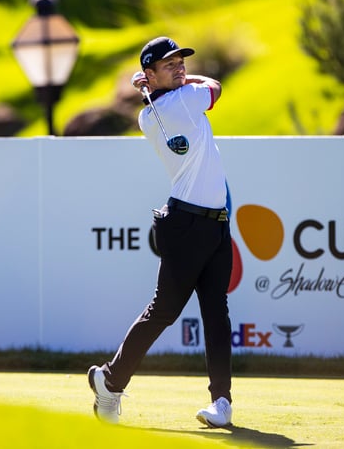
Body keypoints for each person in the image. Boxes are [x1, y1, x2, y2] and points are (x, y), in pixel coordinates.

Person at [88, 36, 233, 428]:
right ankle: (111, 380)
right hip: (189, 226)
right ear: (149, 74)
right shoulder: (181, 102)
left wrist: (158, 85)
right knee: (164, 311)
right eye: (170, 64)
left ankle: (222, 402)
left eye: (182, 62)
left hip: (216, 223)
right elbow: (215, 88)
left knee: (216, 315)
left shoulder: (149, 114)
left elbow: (188, 90)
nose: (181, 68)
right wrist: (178, 84)